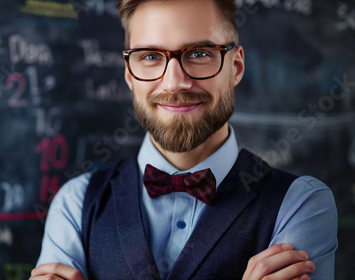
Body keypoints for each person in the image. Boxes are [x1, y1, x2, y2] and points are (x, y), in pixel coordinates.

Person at [32, 0, 338, 279]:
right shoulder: (75, 204)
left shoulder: (300, 205)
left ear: (236, 66)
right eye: (150, 56)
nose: (175, 81)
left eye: (199, 54)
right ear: (129, 73)